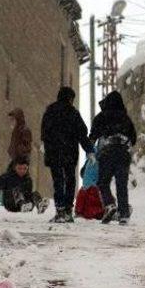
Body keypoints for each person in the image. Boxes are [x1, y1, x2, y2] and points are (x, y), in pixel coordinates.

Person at [41, 86, 95, 223]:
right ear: (70, 99)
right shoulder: (73, 113)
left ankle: (60, 211)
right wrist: (89, 150)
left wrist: (45, 144)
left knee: (58, 180)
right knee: (70, 180)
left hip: (54, 152)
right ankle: (67, 211)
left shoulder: (50, 111)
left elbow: (45, 131)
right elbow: (82, 133)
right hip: (69, 153)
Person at [89, 91, 137, 225]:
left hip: (107, 152)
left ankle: (110, 204)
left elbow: (92, 136)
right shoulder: (125, 118)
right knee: (121, 184)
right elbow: (133, 138)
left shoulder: (102, 117)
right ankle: (124, 214)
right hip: (123, 152)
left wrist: (90, 149)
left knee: (103, 182)